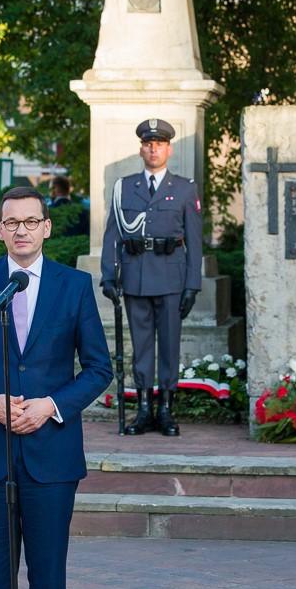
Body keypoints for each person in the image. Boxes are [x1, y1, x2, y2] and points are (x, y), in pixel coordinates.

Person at [0, 186, 111, 589]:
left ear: (46, 227)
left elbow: (99, 368)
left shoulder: (74, 286)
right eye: (12, 222)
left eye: (31, 221)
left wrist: (51, 406)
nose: (22, 230)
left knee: (49, 581)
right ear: (0, 230)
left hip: (51, 455)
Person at [99, 118, 203, 437]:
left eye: (159, 144)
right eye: (148, 144)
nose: (153, 149)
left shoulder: (185, 188)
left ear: (169, 149)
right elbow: (112, 235)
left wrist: (192, 285)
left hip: (172, 278)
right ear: (141, 149)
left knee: (169, 346)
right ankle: (144, 409)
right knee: (142, 346)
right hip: (136, 277)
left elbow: (195, 240)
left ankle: (166, 409)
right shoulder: (124, 187)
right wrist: (108, 276)